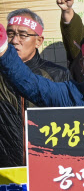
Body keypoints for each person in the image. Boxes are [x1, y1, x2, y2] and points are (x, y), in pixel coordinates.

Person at [0, 10, 70, 167]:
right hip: (6, 169)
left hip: (47, 166)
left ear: (39, 41)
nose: (15, 41)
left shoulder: (58, 74)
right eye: (10, 34)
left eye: (23, 35)